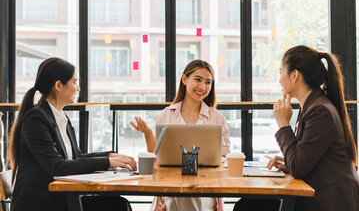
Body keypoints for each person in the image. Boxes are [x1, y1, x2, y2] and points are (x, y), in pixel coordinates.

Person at [8, 57, 137, 211]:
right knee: (117, 206)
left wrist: (109, 156)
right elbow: (57, 166)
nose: (78, 88)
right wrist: (108, 162)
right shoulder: (36, 119)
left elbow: (75, 157)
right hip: (41, 204)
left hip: (60, 199)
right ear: (58, 85)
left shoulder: (60, 116)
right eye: (75, 82)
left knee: (119, 204)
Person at [266, 45, 359, 211]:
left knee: (248, 205)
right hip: (322, 195)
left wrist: (283, 125)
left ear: (294, 75)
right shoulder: (312, 105)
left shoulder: (320, 110)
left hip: (331, 201)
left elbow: (299, 167)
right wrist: (288, 162)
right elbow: (304, 161)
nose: (279, 79)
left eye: (281, 72)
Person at [130, 59, 231, 211]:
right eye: (197, 79)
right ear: (184, 79)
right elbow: (155, 157)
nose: (203, 87)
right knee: (180, 193)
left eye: (208, 82)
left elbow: (224, 158)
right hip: (170, 185)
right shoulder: (165, 115)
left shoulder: (217, 118)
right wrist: (148, 134)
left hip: (205, 188)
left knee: (181, 197)